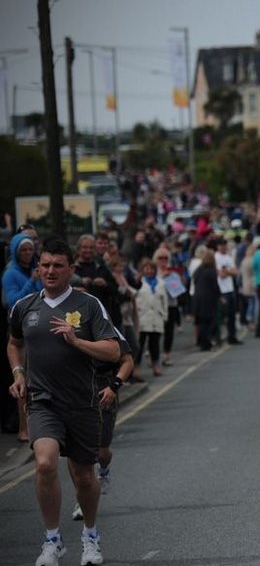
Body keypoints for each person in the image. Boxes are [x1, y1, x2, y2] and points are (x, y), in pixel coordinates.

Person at [7, 237, 120, 566]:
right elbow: (14, 344)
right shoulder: (24, 307)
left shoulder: (87, 305)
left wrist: (76, 341)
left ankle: (90, 535)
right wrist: (18, 372)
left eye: (58, 265)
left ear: (71, 269)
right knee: (44, 463)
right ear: (38, 267)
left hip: (82, 403)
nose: (51, 270)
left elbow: (113, 350)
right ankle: (52, 540)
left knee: (85, 476)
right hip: (42, 401)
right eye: (45, 265)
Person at [72, 330, 135, 521]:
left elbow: (128, 361)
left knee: (102, 451)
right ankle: (81, 498)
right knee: (75, 451)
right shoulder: (64, 323)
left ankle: (104, 470)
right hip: (74, 389)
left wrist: (114, 385)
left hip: (103, 388)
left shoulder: (106, 328)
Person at [2, 232, 42, 442]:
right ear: (16, 253)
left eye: (30, 249)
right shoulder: (11, 274)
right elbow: (13, 301)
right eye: (23, 250)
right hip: (21, 329)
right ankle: (23, 428)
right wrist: (31, 282)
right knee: (22, 380)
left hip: (40, 326)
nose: (27, 253)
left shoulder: (39, 267)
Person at [191, 248, 221, 351]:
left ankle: (201, 342)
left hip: (197, 298)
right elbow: (215, 286)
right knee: (208, 322)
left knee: (200, 322)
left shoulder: (199, 270)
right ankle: (206, 343)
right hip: (208, 299)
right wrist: (219, 296)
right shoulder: (211, 270)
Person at [214, 238, 242, 345]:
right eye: (221, 246)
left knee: (232, 315)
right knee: (221, 315)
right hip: (221, 290)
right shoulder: (216, 257)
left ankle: (232, 336)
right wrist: (228, 271)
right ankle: (218, 337)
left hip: (230, 289)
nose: (223, 248)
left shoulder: (228, 257)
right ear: (218, 246)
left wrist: (227, 272)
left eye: (224, 245)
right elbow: (220, 274)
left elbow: (236, 272)